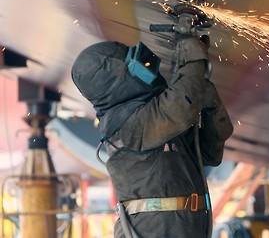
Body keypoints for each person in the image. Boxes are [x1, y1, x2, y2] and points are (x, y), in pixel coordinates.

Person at [71, 36, 233, 238]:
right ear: (113, 79)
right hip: (157, 230)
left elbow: (208, 155)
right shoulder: (127, 126)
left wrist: (211, 106)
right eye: (132, 63)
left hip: (175, 226)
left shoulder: (150, 117)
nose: (143, 66)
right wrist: (193, 56)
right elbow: (181, 106)